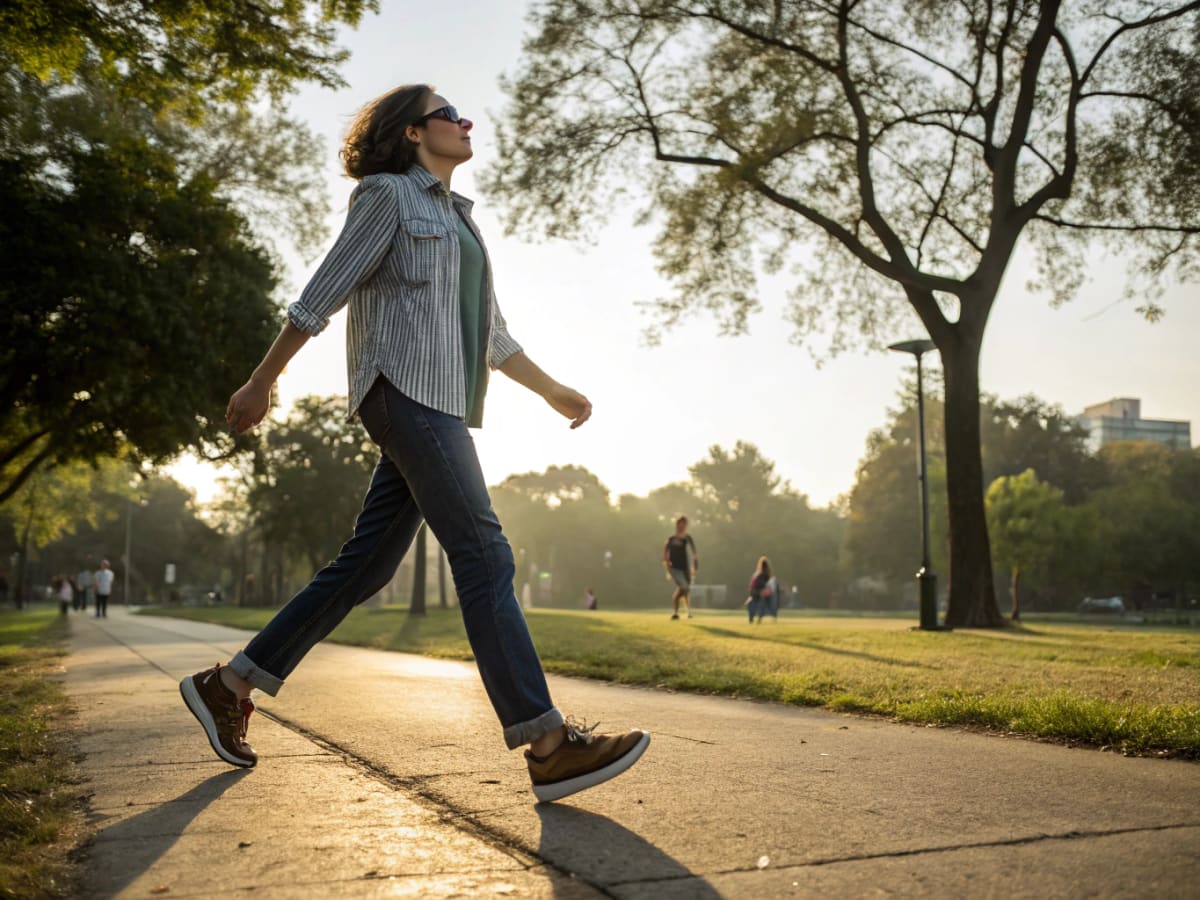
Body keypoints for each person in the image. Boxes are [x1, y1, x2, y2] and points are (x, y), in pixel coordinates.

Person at [178, 84, 649, 803]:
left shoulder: (462, 221)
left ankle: (230, 683)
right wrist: (261, 380)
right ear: (409, 133)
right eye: (448, 115)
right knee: (486, 552)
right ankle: (547, 744)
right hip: (403, 393)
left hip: (442, 405)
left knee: (365, 567)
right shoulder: (387, 197)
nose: (465, 123)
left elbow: (490, 334)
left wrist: (551, 389)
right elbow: (322, 292)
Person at [662, 516, 699, 619]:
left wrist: (695, 559)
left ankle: (680, 612)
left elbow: (693, 550)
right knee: (684, 586)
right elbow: (665, 549)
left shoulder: (687, 537)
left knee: (685, 590)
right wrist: (666, 560)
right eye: (680, 523)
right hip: (674, 568)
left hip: (685, 568)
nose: (681, 525)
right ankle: (678, 611)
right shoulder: (671, 539)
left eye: (684, 524)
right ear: (677, 525)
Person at [747, 556, 772, 624]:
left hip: (753, 591)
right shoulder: (766, 574)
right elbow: (765, 583)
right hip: (761, 591)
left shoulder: (756, 573)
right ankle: (759, 619)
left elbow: (752, 583)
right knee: (762, 605)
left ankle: (751, 618)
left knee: (753, 605)